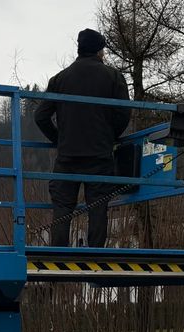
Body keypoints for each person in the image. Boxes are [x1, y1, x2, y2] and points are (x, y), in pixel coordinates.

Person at [34, 28, 131, 248]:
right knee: (98, 205)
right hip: (99, 155)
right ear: (99, 51)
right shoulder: (114, 77)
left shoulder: (59, 79)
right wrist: (110, 136)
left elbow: (40, 116)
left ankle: (59, 254)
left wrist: (59, 139)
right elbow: (124, 113)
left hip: (68, 155)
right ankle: (95, 255)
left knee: (62, 206)